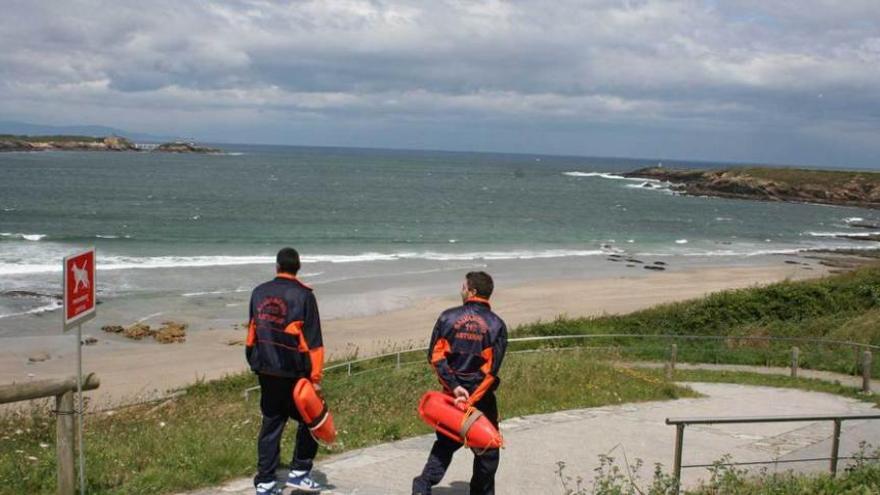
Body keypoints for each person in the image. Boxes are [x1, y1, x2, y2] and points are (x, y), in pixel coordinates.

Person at [413, 271, 508, 495]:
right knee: (487, 449)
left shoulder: (448, 317)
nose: (461, 290)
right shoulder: (497, 325)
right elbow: (491, 372)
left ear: (472, 291)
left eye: (463, 286)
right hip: (480, 400)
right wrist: (470, 399)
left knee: (445, 445)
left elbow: (435, 357)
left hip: (452, 398)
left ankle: (422, 487)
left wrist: (455, 389)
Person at [246, 247, 325, 494]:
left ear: (277, 266)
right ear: (298, 267)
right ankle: (300, 472)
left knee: (271, 424)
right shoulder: (304, 296)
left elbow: (251, 334)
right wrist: (315, 378)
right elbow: (314, 342)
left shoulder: (258, 292)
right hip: (295, 374)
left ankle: (266, 481)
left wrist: (255, 363)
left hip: (267, 370)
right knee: (314, 420)